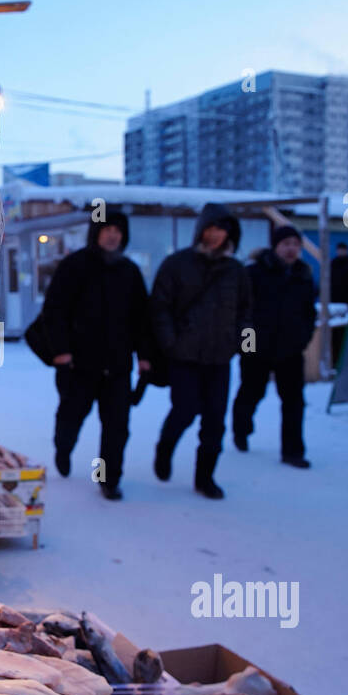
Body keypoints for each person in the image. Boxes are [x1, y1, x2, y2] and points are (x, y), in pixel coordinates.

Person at [41, 206, 152, 499]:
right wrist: (62, 353)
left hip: (117, 366)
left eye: (118, 231)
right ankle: (63, 449)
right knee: (71, 418)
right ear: (96, 233)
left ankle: (108, 479)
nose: (113, 236)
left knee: (116, 427)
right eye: (107, 230)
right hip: (79, 364)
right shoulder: (74, 266)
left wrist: (144, 358)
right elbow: (54, 312)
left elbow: (142, 319)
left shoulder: (129, 272)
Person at [150, 202, 251, 500]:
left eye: (223, 229)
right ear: (201, 230)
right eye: (212, 228)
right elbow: (159, 307)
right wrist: (171, 343)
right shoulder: (177, 264)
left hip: (220, 358)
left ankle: (205, 477)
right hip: (185, 357)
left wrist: (241, 345)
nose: (217, 234)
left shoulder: (237, 271)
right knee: (184, 410)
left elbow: (246, 312)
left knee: (215, 421)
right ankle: (165, 447)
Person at [231, 225, 316, 468]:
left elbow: (309, 313)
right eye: (286, 244)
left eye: (295, 245)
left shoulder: (303, 275)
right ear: (275, 246)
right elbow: (242, 311)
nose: (291, 249)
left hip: (290, 350)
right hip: (256, 347)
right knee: (251, 392)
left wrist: (302, 339)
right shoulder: (254, 273)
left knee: (294, 401)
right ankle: (241, 429)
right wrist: (246, 345)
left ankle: (293, 451)